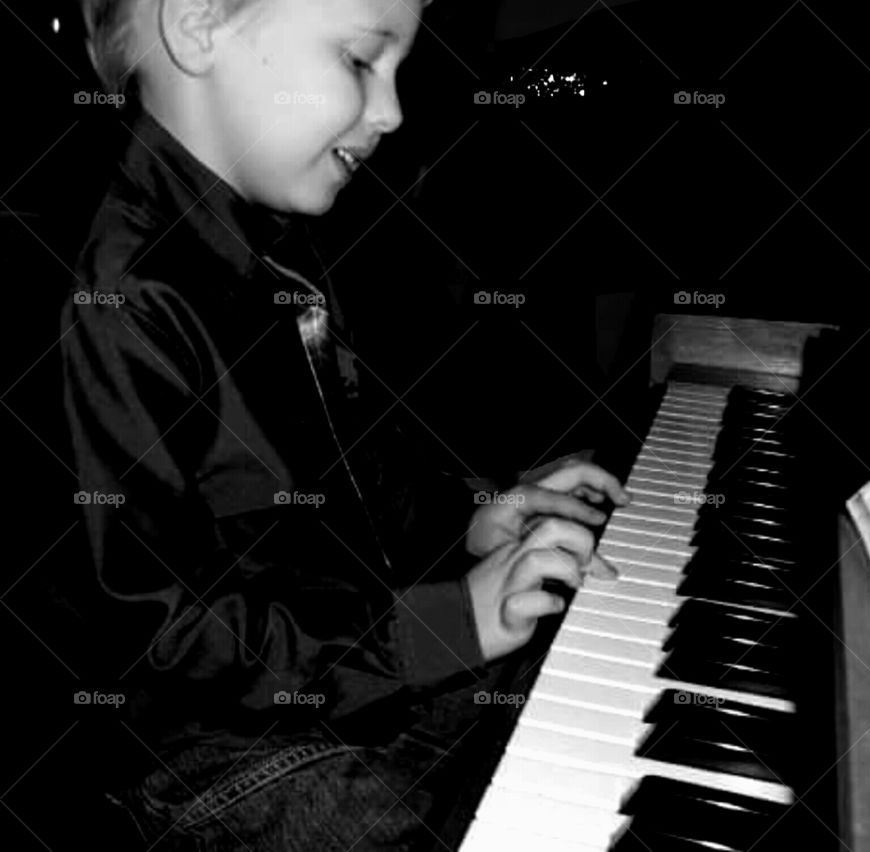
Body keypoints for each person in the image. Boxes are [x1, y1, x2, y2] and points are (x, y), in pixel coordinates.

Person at [63, 0, 629, 848]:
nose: (393, 109)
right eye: (363, 60)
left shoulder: (278, 245)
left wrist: (473, 515)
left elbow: (360, 469)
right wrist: (437, 627)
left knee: (588, 651)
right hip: (209, 756)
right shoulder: (121, 298)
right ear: (199, 24)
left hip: (347, 675)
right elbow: (157, 640)